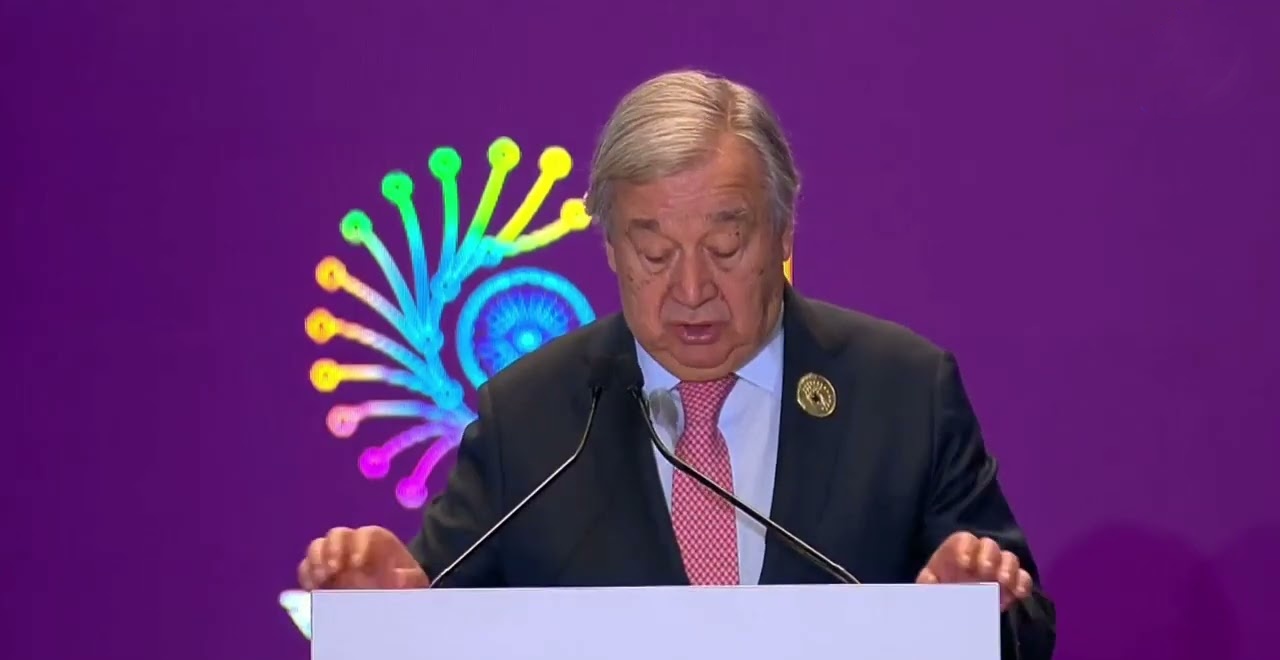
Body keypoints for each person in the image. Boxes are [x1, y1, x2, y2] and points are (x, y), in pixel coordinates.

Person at [298, 69, 1055, 658]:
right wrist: (381, 620)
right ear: (610, 249)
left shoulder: (902, 392)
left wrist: (973, 610)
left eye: (726, 246)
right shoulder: (529, 420)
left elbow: (1025, 629)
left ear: (784, 233)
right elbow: (432, 619)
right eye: (655, 253)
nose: (692, 290)